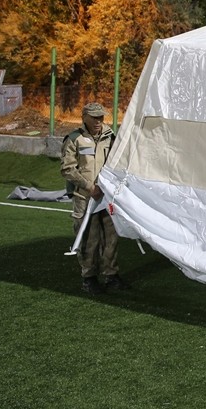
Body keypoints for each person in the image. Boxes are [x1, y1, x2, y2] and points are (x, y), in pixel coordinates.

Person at [60, 102, 126, 295]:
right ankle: (89, 278)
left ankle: (111, 276)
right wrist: (90, 187)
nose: (98, 121)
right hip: (85, 197)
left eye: (101, 117)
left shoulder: (110, 137)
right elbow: (67, 169)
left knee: (111, 238)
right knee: (89, 239)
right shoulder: (75, 139)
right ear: (84, 118)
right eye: (94, 117)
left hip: (107, 197)